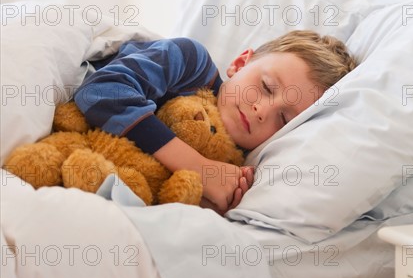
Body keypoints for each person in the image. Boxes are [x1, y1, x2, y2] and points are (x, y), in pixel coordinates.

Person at [74, 30, 357, 215]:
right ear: (240, 63)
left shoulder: (235, 168)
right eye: (267, 87)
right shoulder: (191, 63)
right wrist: (199, 167)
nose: (262, 109)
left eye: (283, 118)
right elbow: (100, 91)